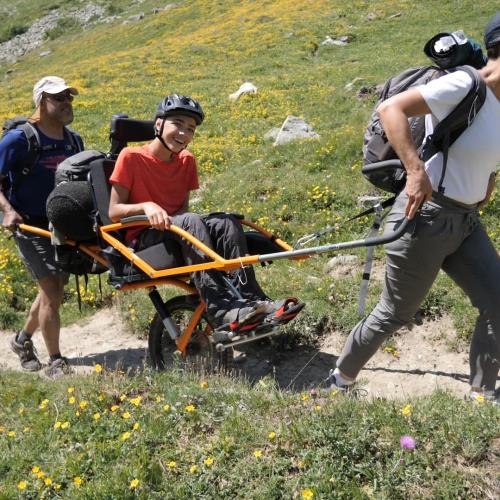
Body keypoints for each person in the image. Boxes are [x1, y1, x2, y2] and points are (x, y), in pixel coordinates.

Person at [327, 13, 500, 403]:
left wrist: (488, 180)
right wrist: (414, 169)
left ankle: (483, 392)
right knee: (395, 312)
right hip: (425, 215)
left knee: (498, 302)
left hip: (465, 221)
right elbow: (391, 109)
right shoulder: (466, 83)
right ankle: (340, 379)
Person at [109, 94, 303, 332]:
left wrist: (185, 223)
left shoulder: (187, 161)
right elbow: (114, 212)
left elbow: (181, 209)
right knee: (190, 221)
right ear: (158, 124)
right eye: (177, 124)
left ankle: (252, 300)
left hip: (176, 230)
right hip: (143, 241)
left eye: (190, 129)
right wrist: (146, 207)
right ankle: (221, 309)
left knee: (226, 222)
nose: (184, 133)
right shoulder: (131, 157)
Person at [0, 76, 83, 378]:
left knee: (52, 292)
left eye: (68, 97)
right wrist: (7, 211)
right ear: (41, 102)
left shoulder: (74, 141)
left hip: (62, 225)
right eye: (58, 98)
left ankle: (22, 341)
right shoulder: (19, 139)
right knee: (52, 289)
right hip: (28, 224)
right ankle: (56, 361)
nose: (66, 103)